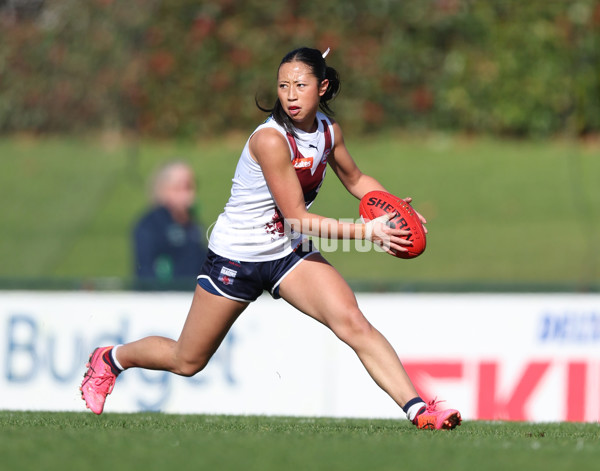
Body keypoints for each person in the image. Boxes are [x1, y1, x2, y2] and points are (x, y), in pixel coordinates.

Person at [81, 47, 461, 430]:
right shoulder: (271, 140)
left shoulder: (329, 132)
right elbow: (299, 217)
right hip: (236, 256)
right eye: (283, 85)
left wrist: (395, 211)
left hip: (286, 252)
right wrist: (367, 232)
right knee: (187, 361)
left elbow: (357, 180)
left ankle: (420, 411)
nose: (291, 95)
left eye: (300, 85)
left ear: (323, 86)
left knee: (352, 321)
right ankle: (111, 359)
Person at [133, 160, 208, 283]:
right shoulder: (150, 225)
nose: (190, 195)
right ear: (164, 189)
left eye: (192, 187)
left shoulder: (194, 226)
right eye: (183, 187)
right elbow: (145, 272)